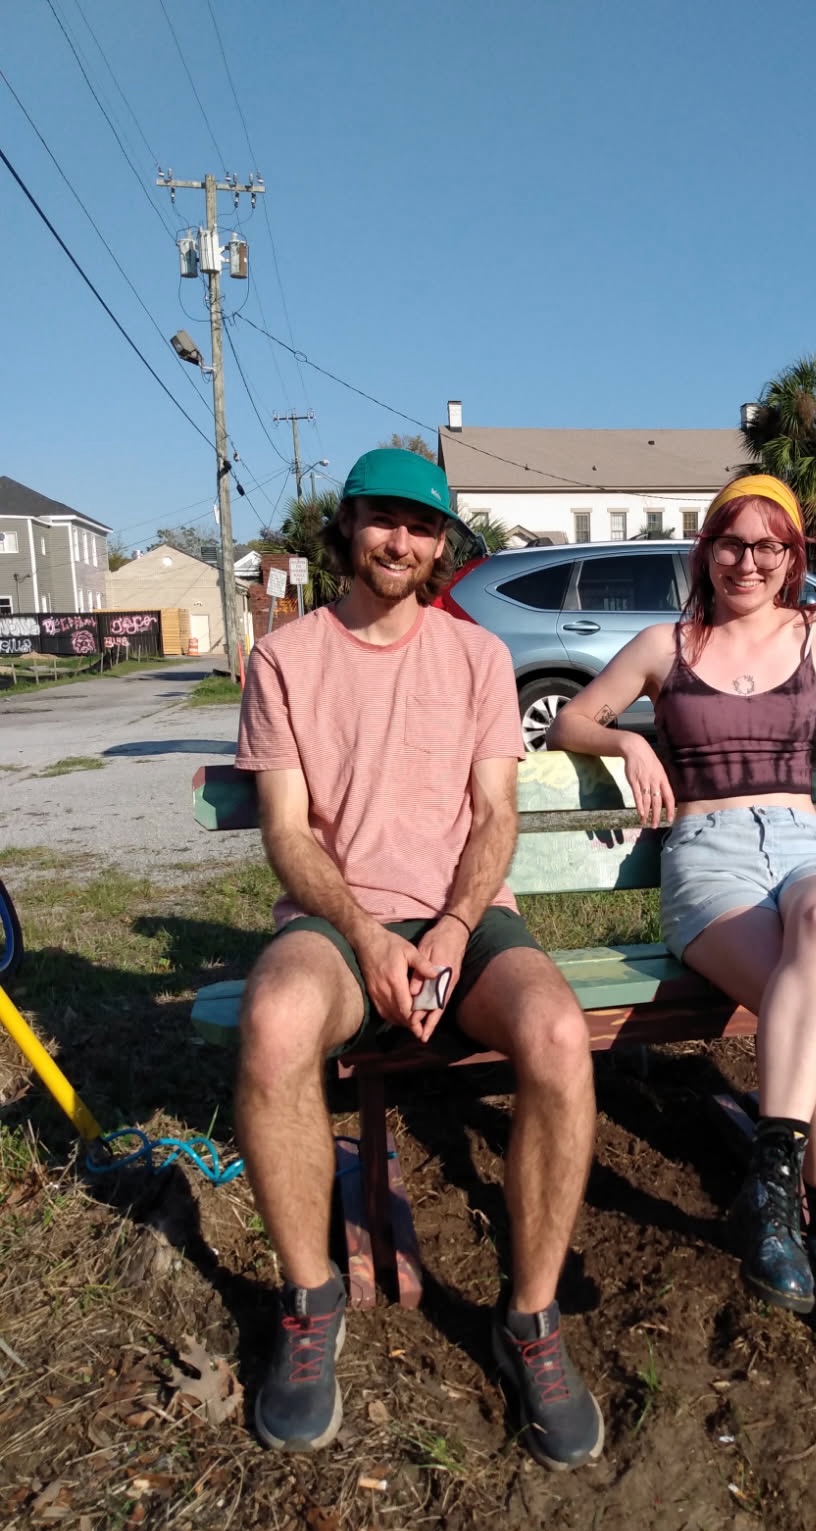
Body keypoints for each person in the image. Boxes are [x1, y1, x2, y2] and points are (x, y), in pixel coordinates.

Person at [234, 447, 604, 1467]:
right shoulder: (285, 659)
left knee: (559, 1034)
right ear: (347, 528)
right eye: (382, 519)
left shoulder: (476, 656)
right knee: (273, 1025)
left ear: (443, 546)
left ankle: (529, 1319)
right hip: (337, 922)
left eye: (421, 525)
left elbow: (495, 811)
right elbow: (287, 830)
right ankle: (309, 1304)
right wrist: (366, 934)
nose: (400, 540)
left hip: (465, 918)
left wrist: (448, 927)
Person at [548, 474, 816, 1350]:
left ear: (791, 559)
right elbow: (569, 723)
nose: (748, 561)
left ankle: (771, 1192)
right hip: (710, 857)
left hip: (806, 843)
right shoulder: (668, 644)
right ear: (708, 552)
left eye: (768, 546)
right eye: (732, 543)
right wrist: (629, 736)